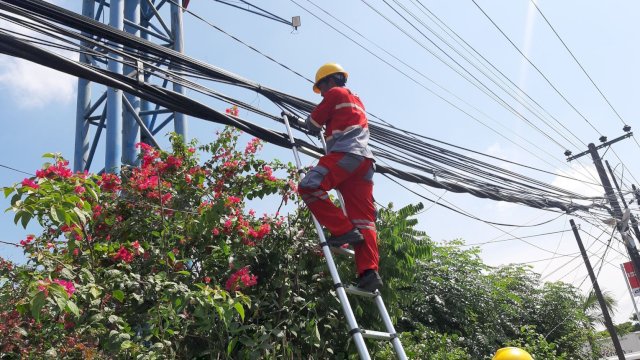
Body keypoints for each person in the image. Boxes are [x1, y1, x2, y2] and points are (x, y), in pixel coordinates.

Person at [298, 62, 382, 292]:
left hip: (346, 154)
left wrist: (303, 122)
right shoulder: (357, 100)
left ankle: (342, 230)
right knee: (364, 220)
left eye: (321, 88)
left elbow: (314, 122)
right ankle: (369, 272)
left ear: (330, 81)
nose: (322, 93)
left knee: (309, 186)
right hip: (364, 162)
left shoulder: (335, 93)